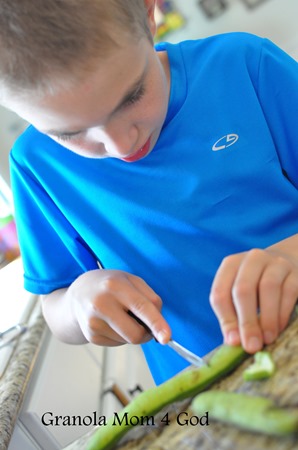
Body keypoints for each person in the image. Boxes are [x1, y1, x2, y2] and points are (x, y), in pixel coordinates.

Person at [0, 0, 297, 384]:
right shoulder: (35, 166)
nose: (122, 145)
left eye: (132, 96)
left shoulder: (244, 66)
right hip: (202, 391)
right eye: (68, 133)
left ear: (148, 13)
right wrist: (77, 305)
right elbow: (54, 304)